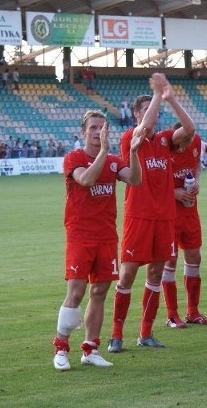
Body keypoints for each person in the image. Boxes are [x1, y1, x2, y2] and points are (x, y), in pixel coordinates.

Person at [108, 73, 195, 353]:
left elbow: (189, 129)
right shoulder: (129, 138)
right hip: (139, 217)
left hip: (165, 218)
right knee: (127, 274)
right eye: (147, 110)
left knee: (156, 273)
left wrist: (170, 98)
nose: (153, 115)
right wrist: (158, 93)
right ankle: (116, 334)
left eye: (155, 110)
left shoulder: (165, 140)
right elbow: (143, 130)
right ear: (136, 113)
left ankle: (145, 332)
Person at [52, 109, 145, 371]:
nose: (98, 132)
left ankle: (90, 348)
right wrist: (104, 151)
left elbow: (136, 180)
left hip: (106, 237)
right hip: (80, 235)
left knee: (99, 292)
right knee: (77, 292)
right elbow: (86, 179)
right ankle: (61, 347)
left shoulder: (115, 161)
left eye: (102, 128)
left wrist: (134, 153)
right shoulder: (74, 158)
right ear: (84, 132)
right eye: (93, 128)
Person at [161, 123, 207, 328]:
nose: (186, 145)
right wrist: (173, 193)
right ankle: (172, 314)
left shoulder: (197, 142)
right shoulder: (163, 147)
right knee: (169, 262)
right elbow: (150, 182)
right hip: (169, 214)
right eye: (182, 141)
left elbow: (196, 169)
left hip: (190, 210)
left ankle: (193, 311)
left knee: (194, 257)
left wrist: (196, 183)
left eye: (189, 140)